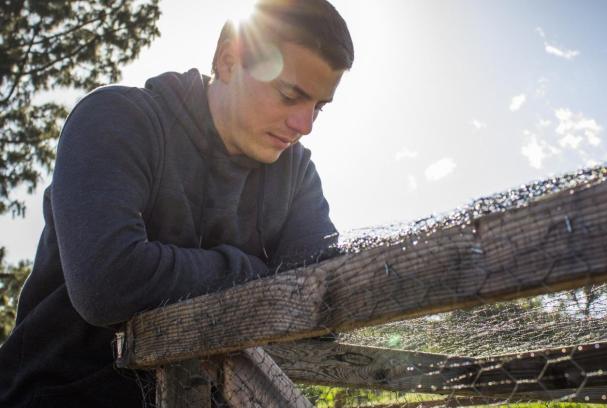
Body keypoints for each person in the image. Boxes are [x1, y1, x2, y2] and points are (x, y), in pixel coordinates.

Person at [0, 0, 353, 406]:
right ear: (227, 61)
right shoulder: (117, 120)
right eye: (291, 94)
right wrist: (256, 273)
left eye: (319, 107)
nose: (305, 125)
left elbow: (323, 303)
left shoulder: (297, 173)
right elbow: (108, 284)